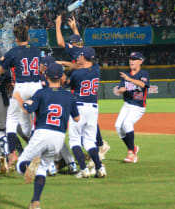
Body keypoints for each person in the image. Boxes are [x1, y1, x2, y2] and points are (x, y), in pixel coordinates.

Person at [15, 63, 80, 209]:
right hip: (59, 138)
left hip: (42, 133)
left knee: (20, 164)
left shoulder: (41, 93)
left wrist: (18, 97)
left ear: (46, 76)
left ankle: (28, 168)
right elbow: (77, 118)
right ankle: (35, 202)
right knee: (43, 169)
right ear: (62, 77)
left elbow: (27, 109)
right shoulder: (69, 96)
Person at [56, 15, 110, 162]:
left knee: (79, 116)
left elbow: (60, 42)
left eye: (72, 43)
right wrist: (74, 28)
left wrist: (57, 25)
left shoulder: (75, 51)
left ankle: (97, 144)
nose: (70, 45)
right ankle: (98, 144)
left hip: (78, 83)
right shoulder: (85, 52)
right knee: (89, 118)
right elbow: (79, 43)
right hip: (88, 88)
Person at [0, 25, 42, 173]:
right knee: (38, 120)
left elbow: (0, 70)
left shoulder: (13, 51)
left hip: (21, 86)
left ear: (16, 39)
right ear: (28, 37)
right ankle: (38, 152)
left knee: (11, 119)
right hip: (37, 86)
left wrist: (5, 62)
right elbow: (41, 67)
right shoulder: (36, 50)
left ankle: (11, 153)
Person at [62, 46, 107, 178]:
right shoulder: (96, 69)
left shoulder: (77, 74)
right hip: (93, 108)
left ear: (83, 57)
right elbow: (81, 66)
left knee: (74, 140)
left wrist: (61, 71)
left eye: (81, 56)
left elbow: (65, 84)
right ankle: (100, 168)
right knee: (89, 142)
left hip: (79, 107)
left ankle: (83, 169)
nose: (79, 57)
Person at [115, 52, 149, 163]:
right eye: (130, 59)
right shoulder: (125, 74)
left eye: (134, 59)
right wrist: (121, 90)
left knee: (127, 124)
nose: (131, 61)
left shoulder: (144, 74)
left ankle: (131, 153)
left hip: (138, 106)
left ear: (141, 61)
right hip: (127, 105)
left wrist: (129, 80)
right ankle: (133, 148)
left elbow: (143, 85)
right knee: (118, 126)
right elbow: (119, 89)